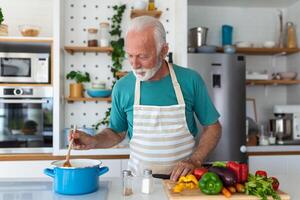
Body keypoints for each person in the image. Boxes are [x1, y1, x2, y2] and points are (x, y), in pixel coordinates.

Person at [71, 16, 222, 181]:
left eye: (143, 56)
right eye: (130, 55)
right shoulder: (123, 87)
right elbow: (116, 132)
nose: (134, 65)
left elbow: (213, 127)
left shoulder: (190, 80)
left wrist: (195, 160)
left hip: (184, 184)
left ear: (163, 51)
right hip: (139, 184)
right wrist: (94, 141)